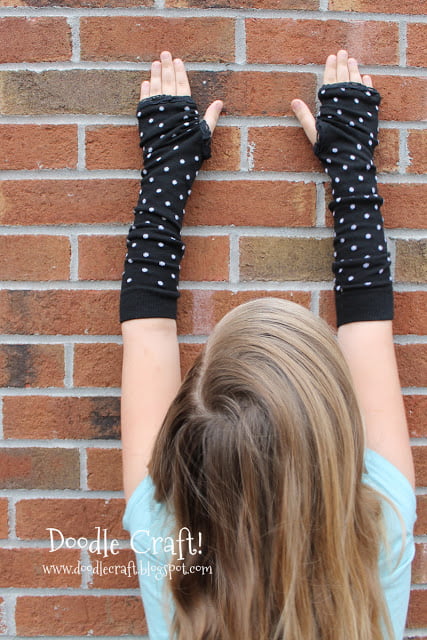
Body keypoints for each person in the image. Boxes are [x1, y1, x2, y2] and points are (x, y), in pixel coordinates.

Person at [119, 50, 416, 640]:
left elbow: (148, 330)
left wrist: (170, 169)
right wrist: (351, 163)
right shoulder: (379, 532)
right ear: (336, 424)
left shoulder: (172, 547)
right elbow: (368, 322)